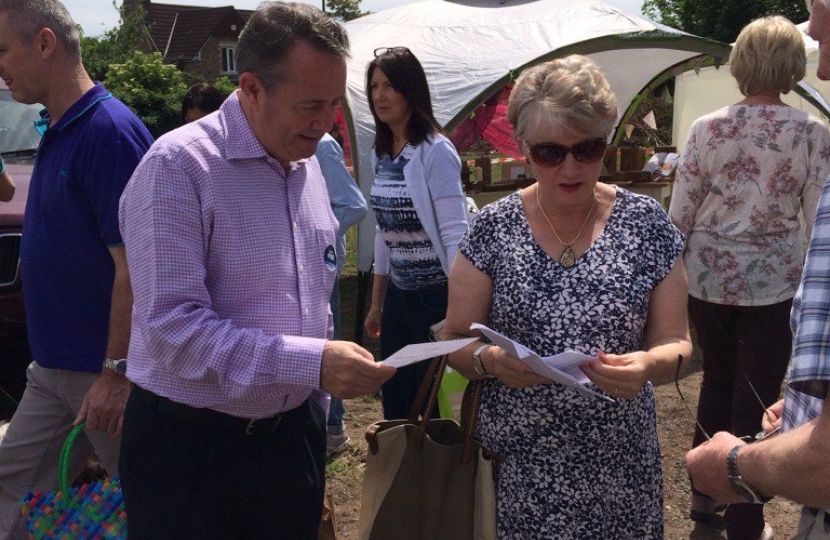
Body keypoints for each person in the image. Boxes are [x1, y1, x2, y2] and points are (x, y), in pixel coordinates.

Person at [118, 4, 395, 538]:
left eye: (335, 105)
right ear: (249, 88)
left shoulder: (308, 163)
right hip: (193, 453)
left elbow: (312, 295)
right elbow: (173, 330)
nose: (325, 124)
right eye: (311, 105)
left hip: (291, 444)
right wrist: (310, 365)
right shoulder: (176, 168)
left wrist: (311, 409)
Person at [442, 54, 691, 539]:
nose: (571, 166)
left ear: (607, 141)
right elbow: (452, 337)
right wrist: (491, 361)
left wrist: (647, 368)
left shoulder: (646, 225)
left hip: (620, 472)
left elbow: (677, 342)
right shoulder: (493, 229)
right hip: (521, 471)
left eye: (589, 148)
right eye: (550, 153)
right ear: (522, 148)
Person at [669, 15, 830, 540]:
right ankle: (744, 519)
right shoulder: (810, 133)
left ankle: (703, 502)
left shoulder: (705, 129)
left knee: (715, 380)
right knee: (757, 395)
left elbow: (680, 216)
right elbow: (816, 222)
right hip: (774, 285)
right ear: (790, 66)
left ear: (740, 63)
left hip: (708, 280)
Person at [0, 0, 153, 538]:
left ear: (45, 43)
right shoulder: (60, 127)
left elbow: (138, 269)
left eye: (2, 50)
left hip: (102, 374)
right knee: (11, 485)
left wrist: (116, 373)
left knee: (147, 499)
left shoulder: (109, 133)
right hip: (54, 369)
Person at [363, 46, 468, 420]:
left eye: (390, 85)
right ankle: (403, 476)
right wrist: (377, 303)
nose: (379, 95)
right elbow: (383, 232)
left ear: (411, 90)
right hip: (399, 299)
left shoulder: (435, 151)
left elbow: (456, 232)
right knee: (396, 400)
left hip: (435, 299)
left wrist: (459, 308)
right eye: (374, 86)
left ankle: (438, 476)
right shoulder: (381, 153)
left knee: (435, 405)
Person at [316, 129, 368, 455]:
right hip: (299, 266)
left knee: (329, 343)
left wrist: (314, 230)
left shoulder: (321, 146)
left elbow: (354, 205)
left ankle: (334, 428)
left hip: (322, 262)